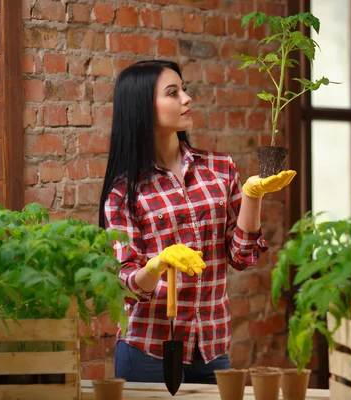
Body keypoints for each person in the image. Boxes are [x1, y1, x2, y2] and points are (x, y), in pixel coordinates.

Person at [98, 60, 296, 384]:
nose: (187, 98)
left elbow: (242, 256)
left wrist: (251, 196)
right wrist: (158, 264)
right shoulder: (124, 193)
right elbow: (126, 285)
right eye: (173, 93)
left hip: (212, 347)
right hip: (148, 351)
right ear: (142, 108)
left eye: (184, 89)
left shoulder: (219, 169)